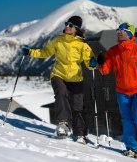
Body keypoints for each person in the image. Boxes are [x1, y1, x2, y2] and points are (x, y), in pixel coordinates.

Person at [21, 16, 97, 144]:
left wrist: (93, 63)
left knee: (77, 106)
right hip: (58, 74)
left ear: (76, 29)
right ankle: (63, 124)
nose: (67, 26)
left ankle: (80, 134)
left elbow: (89, 62)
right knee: (61, 93)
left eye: (71, 25)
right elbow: (45, 52)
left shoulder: (82, 45)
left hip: (75, 78)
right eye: (67, 24)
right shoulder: (58, 40)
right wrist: (30, 52)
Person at [97, 22, 137, 157]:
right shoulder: (113, 51)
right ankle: (131, 147)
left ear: (130, 33)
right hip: (122, 92)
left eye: (122, 30)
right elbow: (105, 70)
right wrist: (101, 63)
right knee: (127, 120)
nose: (119, 32)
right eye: (118, 30)